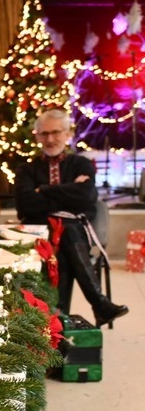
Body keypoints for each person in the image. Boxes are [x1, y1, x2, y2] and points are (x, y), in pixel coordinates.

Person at [14, 109, 128, 326]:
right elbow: (25, 204)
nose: (50, 139)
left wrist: (44, 190)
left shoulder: (82, 164)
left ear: (68, 134)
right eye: (44, 134)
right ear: (37, 136)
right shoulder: (26, 169)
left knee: (67, 231)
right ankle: (97, 304)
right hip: (38, 232)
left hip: (73, 232)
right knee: (67, 232)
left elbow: (86, 198)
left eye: (56, 132)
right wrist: (69, 191)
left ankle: (57, 321)